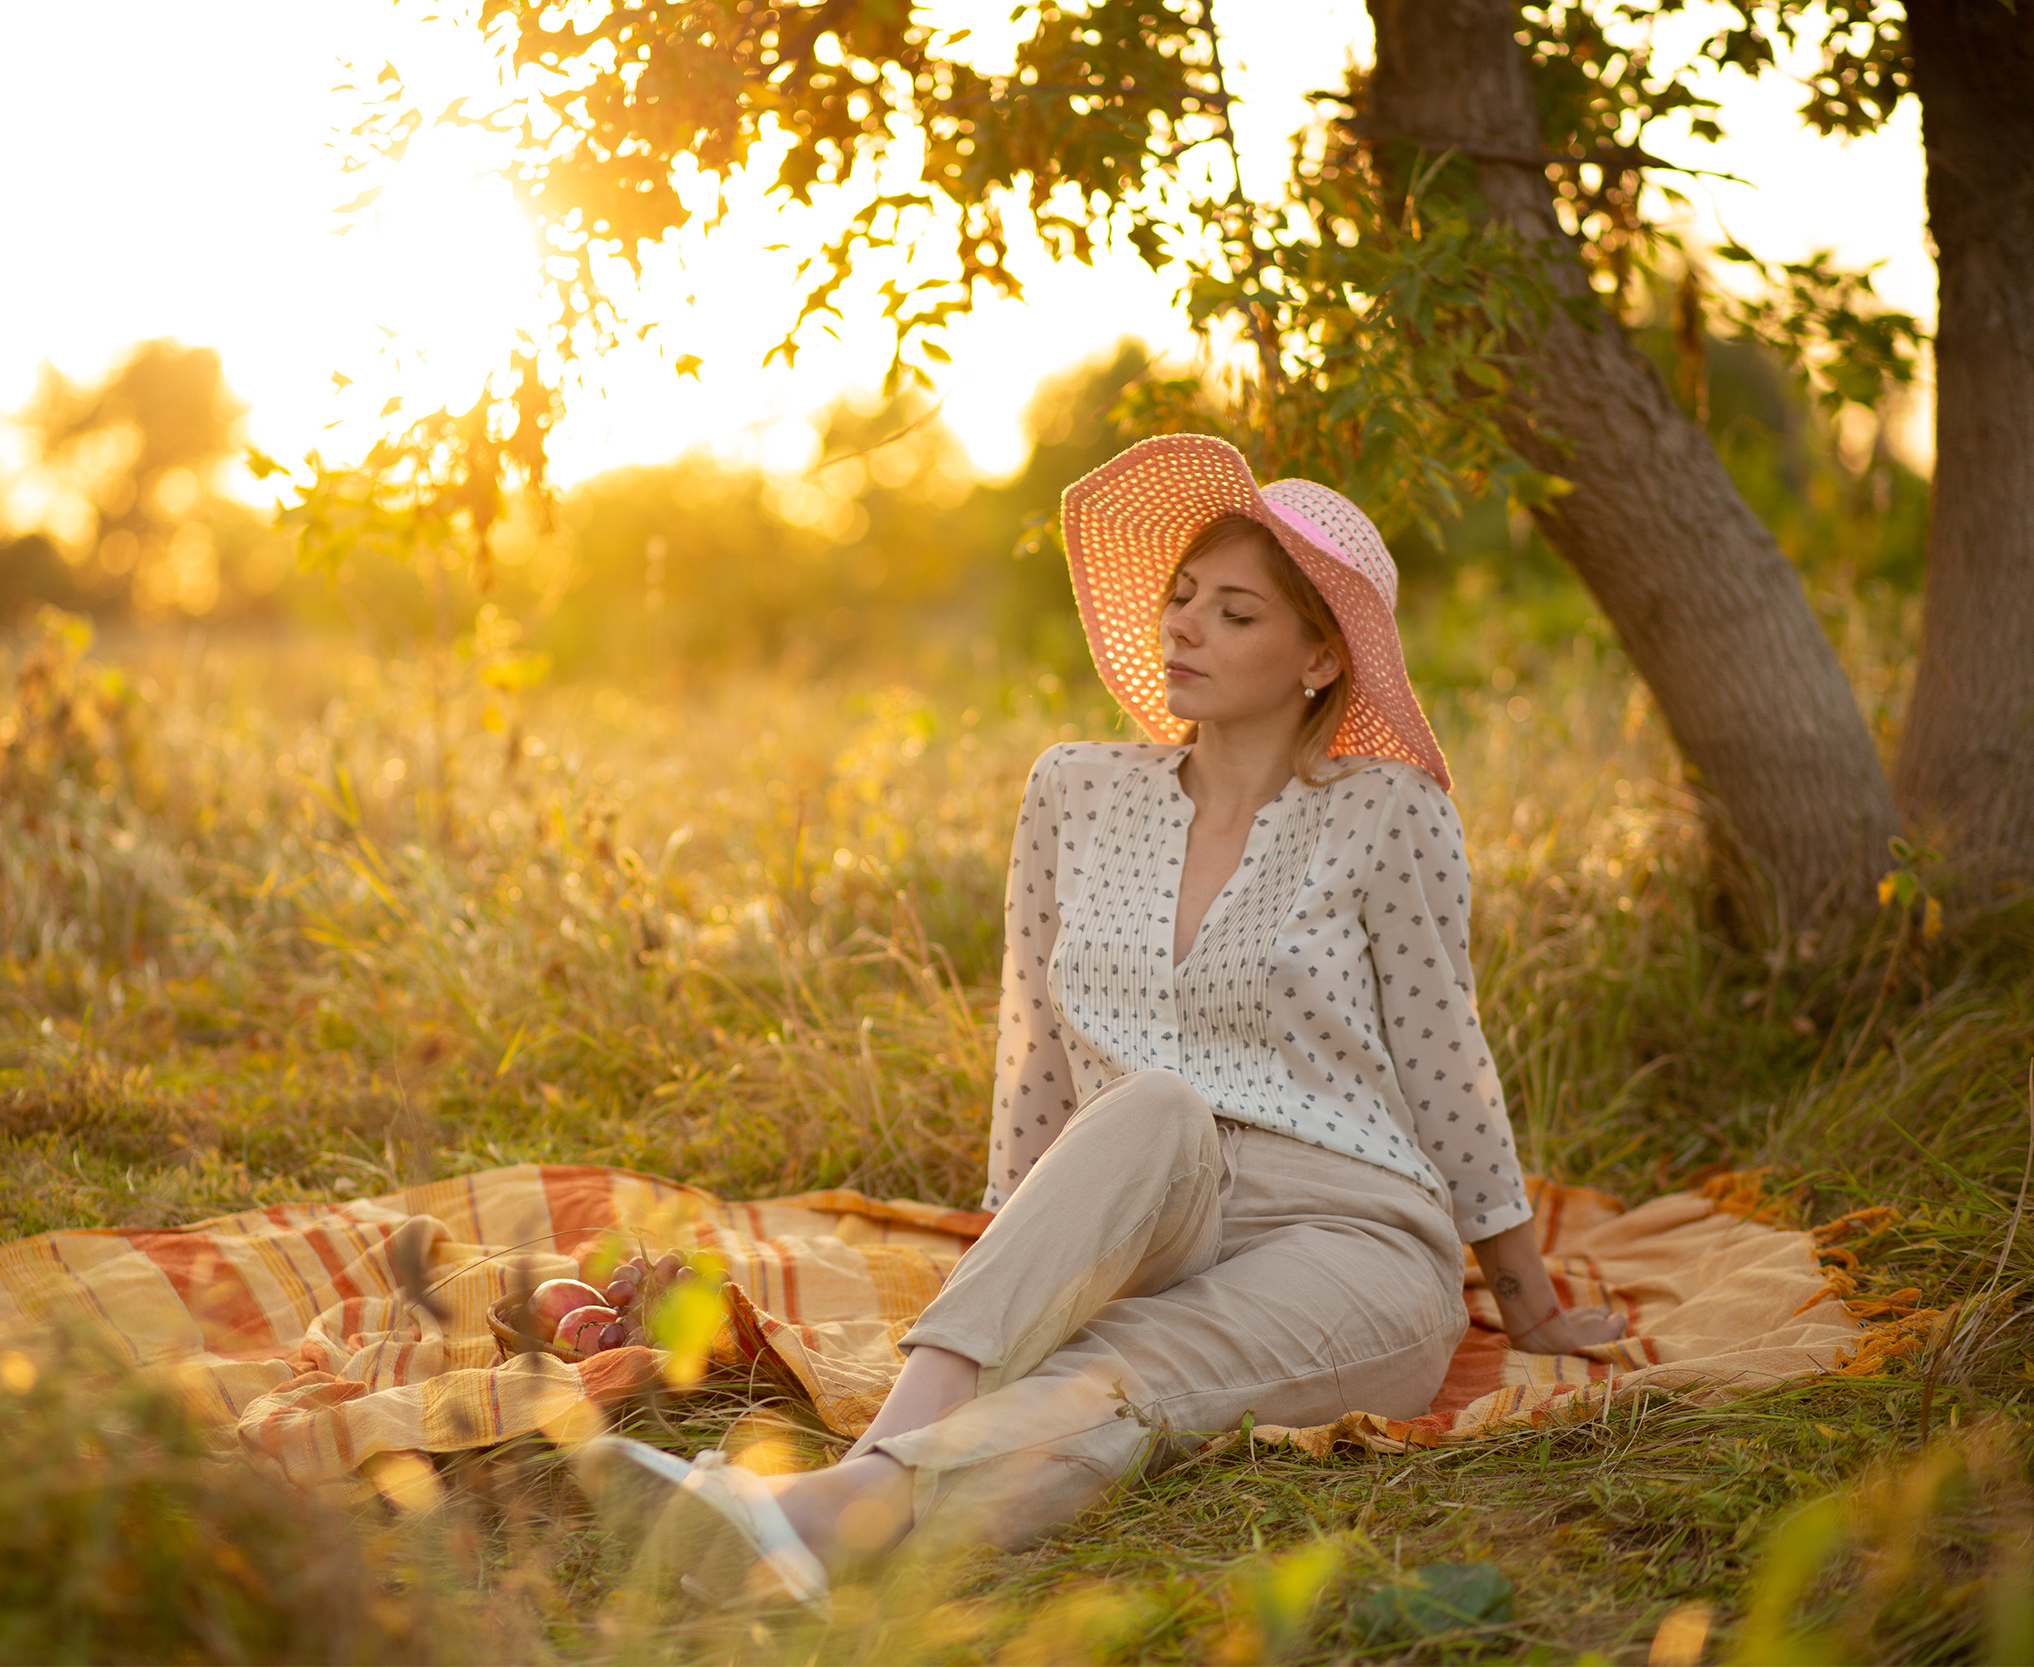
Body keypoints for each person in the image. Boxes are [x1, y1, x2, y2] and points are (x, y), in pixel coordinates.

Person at [576, 436, 1626, 1611]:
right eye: (1181, 599)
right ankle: (856, 1486)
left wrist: (1524, 1295)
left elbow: (1447, 1061)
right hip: (1151, 1194)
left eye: (1234, 614)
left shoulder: (1387, 814)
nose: (1184, 628)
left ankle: (826, 1509)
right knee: (1158, 1100)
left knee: (1114, 1370)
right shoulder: (1077, 790)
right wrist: (1018, 1250)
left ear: (1320, 655)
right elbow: (1031, 1048)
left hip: (1349, 1228)